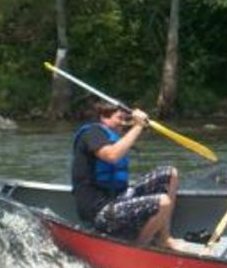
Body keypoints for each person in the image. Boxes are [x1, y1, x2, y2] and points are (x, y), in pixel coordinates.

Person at [71, 100, 184, 250]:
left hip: (118, 200)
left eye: (126, 119)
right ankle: (138, 248)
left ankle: (164, 239)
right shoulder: (92, 133)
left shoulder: (115, 137)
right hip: (99, 211)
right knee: (162, 202)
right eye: (120, 118)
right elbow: (111, 155)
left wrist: (140, 123)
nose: (123, 123)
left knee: (170, 173)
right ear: (104, 117)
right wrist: (138, 126)